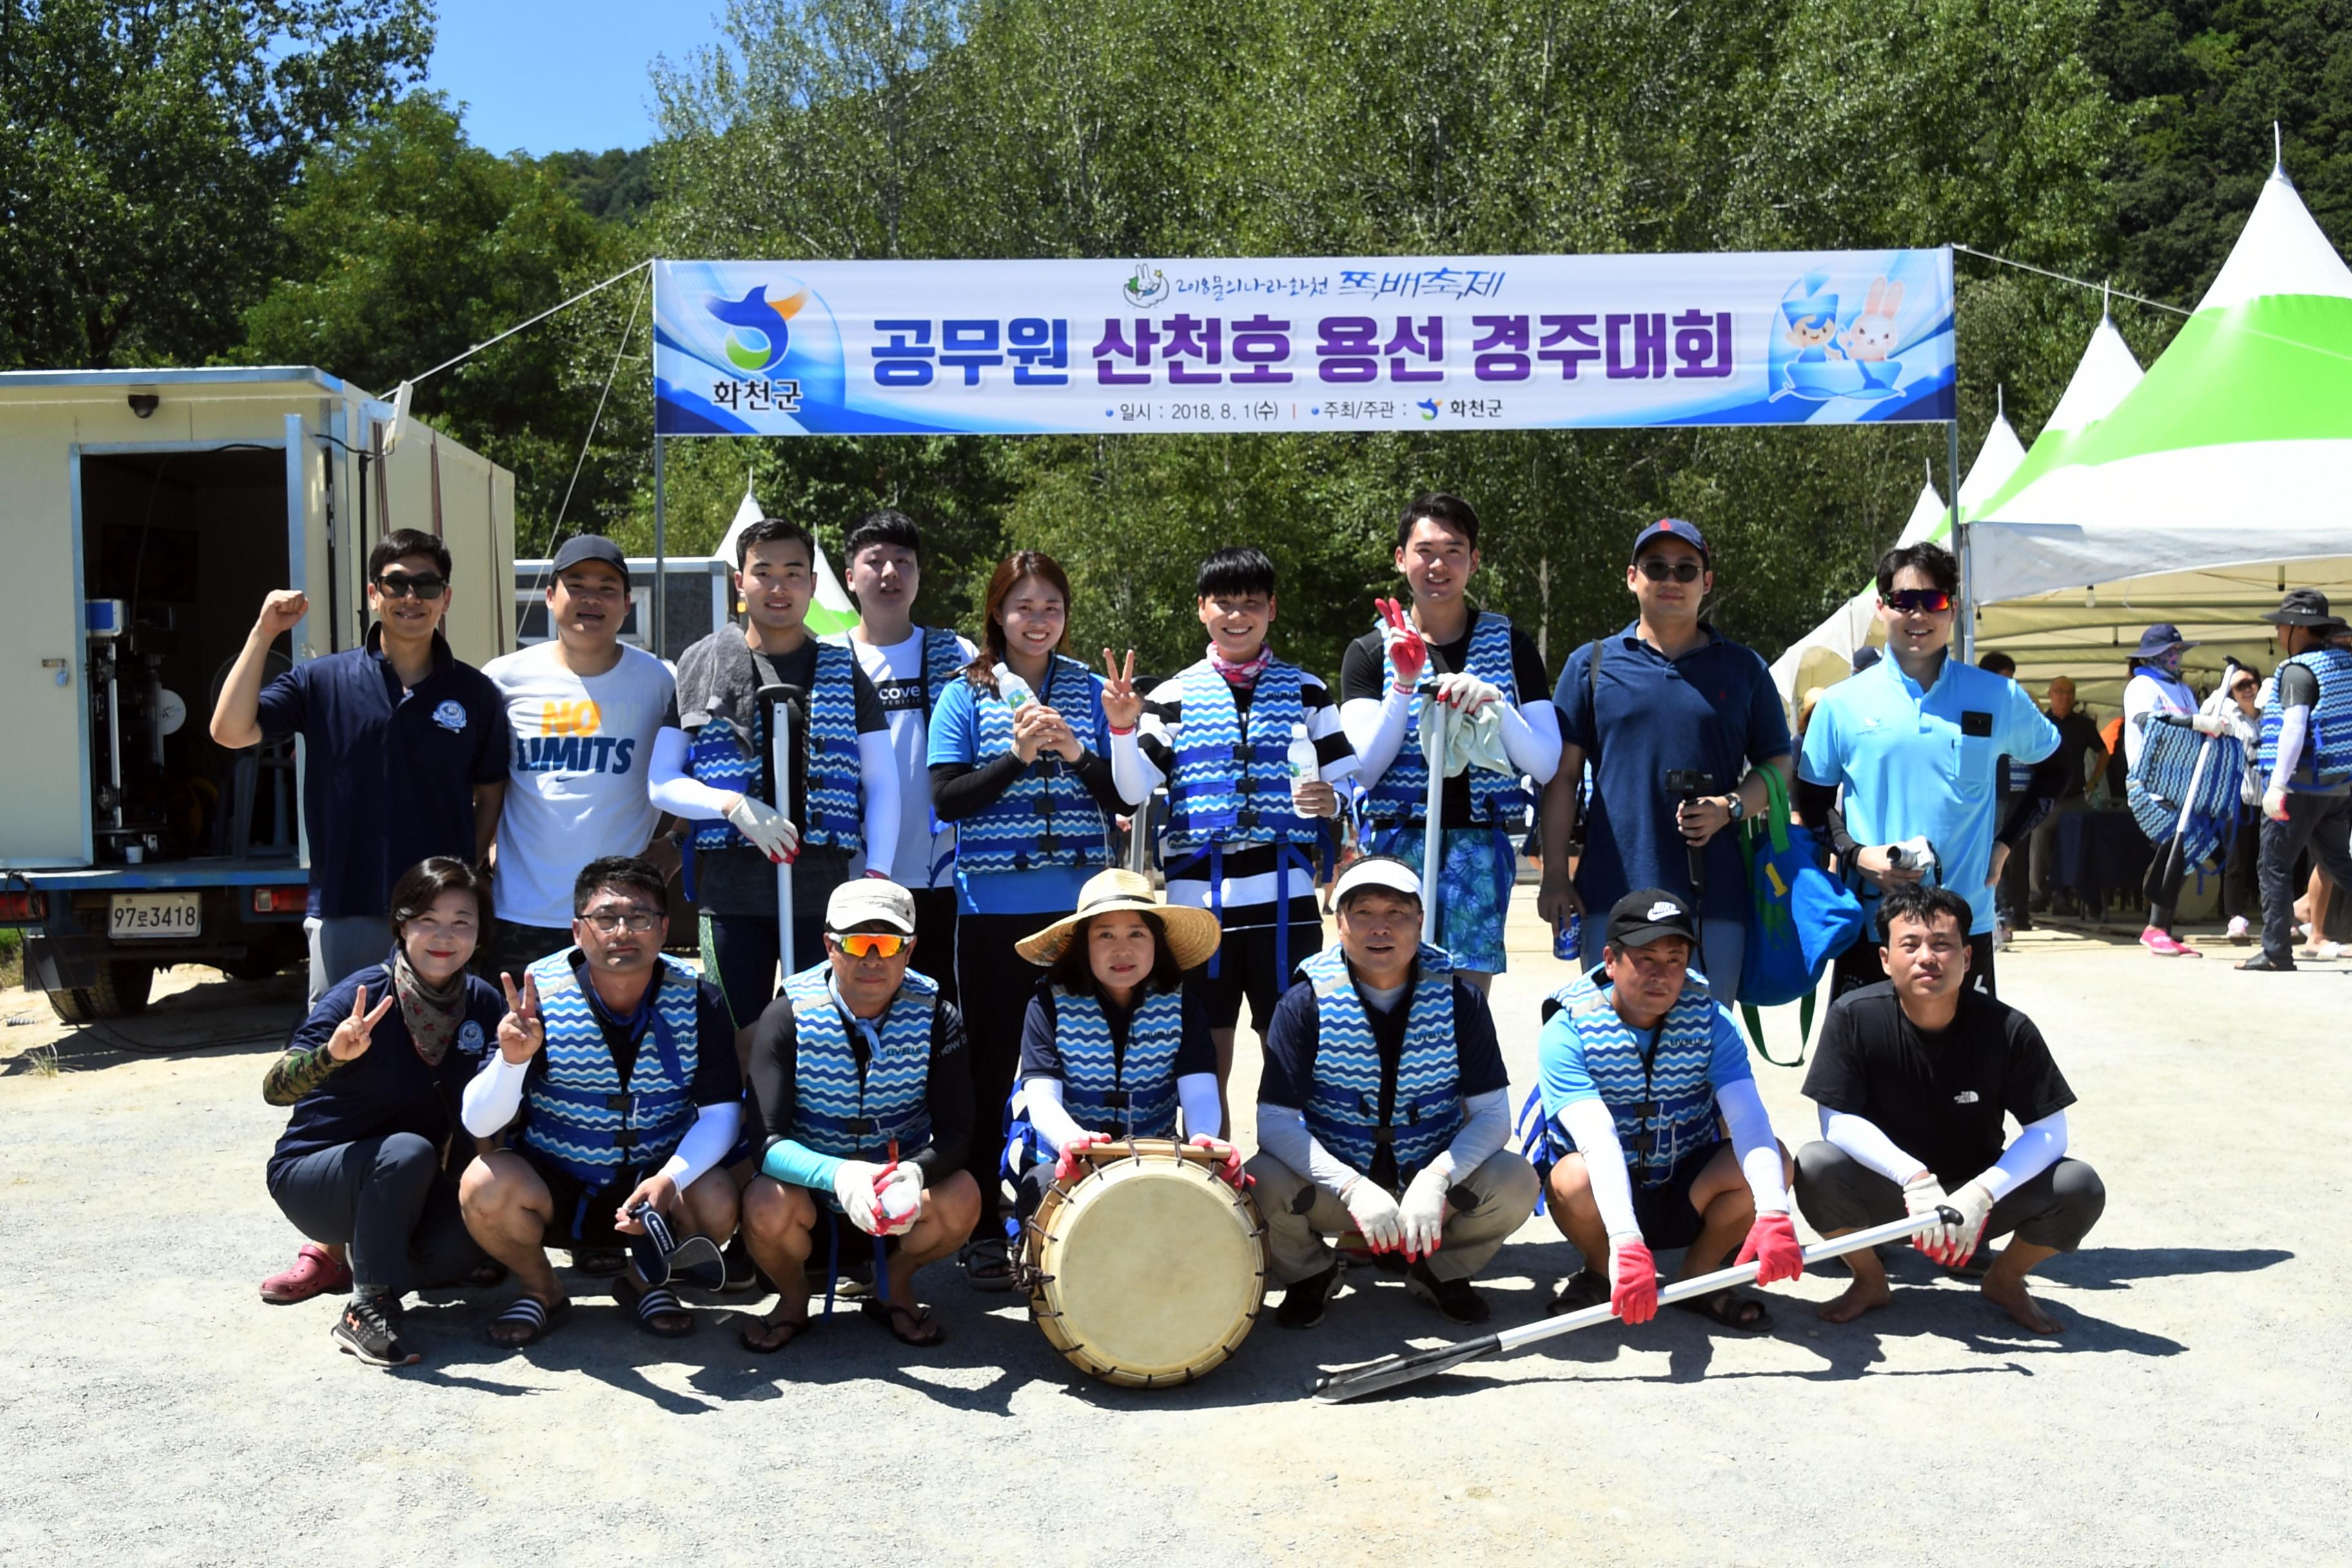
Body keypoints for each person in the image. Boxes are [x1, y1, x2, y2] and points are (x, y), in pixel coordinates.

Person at [926, 551, 1133, 1284]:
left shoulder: (1091, 690)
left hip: (1080, 913)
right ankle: (983, 1225)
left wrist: (1079, 750)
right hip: (993, 913)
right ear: (997, 614)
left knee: (1083, 1065)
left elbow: (1126, 796)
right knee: (987, 1068)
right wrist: (1016, 756)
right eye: (1022, 605)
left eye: (1051, 605)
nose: (1037, 618)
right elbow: (946, 799)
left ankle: (1084, 1212)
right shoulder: (964, 693)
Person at [1108, 547, 1355, 1122]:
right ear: (1201, 609)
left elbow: (1349, 790)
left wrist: (1333, 800)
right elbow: (1130, 789)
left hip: (1284, 904)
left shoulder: (1309, 691)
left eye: (1251, 603)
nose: (1237, 615)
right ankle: (1215, 1170)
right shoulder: (1169, 698)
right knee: (1204, 1049)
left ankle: (1291, 1170)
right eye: (1224, 602)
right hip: (1200, 908)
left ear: (1272, 610)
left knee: (1288, 1042)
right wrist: (1122, 728)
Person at [211, 527, 509, 1004]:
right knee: (344, 1053)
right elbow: (229, 730)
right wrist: (263, 632)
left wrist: (460, 872)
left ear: (445, 599)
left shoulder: (476, 693)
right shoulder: (321, 680)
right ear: (374, 595)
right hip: (345, 906)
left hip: (442, 914)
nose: (411, 597)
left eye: (427, 586)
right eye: (396, 584)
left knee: (439, 1053)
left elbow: (491, 792)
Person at [457, 857, 743, 1346]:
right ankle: (541, 1288)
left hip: (654, 1180)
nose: (622, 931)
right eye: (605, 918)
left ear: (665, 927)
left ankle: (645, 1283)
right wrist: (511, 1061)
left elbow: (722, 1113)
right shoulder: (536, 997)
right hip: (555, 1179)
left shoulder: (699, 999)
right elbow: (478, 1118)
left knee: (716, 1196)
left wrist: (670, 1179)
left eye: (640, 917)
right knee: (482, 1185)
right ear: (577, 930)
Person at [1244, 855, 1540, 1329]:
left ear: (1420, 921)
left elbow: (1492, 1116)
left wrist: (1437, 1177)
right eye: (1363, 913)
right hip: (1338, 1186)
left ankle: (1439, 1270)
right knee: (1261, 1179)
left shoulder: (1461, 999)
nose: (1379, 928)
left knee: (1516, 1180)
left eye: (1397, 913)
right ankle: (1311, 1273)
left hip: (1429, 1185)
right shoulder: (1304, 1002)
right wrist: (1352, 1187)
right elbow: (1274, 1123)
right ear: (1339, 922)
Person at [1794, 883, 2104, 1333]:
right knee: (1815, 1164)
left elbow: (2050, 1130)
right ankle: (1869, 1278)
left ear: (1967, 957)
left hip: (1976, 1196)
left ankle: (2005, 1278)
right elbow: (1836, 1121)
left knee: (2080, 1185)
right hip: (1892, 1195)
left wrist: (1984, 1193)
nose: (1927, 957)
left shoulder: (2008, 1029)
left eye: (1943, 944)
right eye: (1911, 944)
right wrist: (1914, 1179)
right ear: (1885, 959)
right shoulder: (1853, 1016)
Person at [649, 518, 900, 1034]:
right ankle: (743, 1118)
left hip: (825, 896)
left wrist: (877, 872)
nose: (779, 586)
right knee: (737, 1036)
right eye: (763, 572)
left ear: (812, 582)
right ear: (740, 582)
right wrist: (733, 807)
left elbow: (882, 783)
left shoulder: (845, 672)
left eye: (794, 572)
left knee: (818, 1036)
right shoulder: (702, 666)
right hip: (731, 897)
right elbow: (662, 780)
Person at [260, 858, 502, 1366]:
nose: (445, 936)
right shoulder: (361, 994)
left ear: (480, 932)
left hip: (404, 1185)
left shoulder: (482, 1002)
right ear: (401, 924)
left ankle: (375, 1259)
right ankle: (367, 1305)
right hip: (318, 1177)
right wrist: (331, 1055)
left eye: (462, 921)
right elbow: (274, 1089)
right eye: (428, 920)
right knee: (407, 1150)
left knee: (469, 1244)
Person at [1527, 889, 1801, 1332]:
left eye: (1675, 959)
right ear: (1611, 960)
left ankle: (1701, 1275)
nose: (1662, 974)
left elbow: (1748, 1118)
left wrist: (1773, 1211)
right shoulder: (1567, 1029)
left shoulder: (1712, 1021)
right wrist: (1626, 1239)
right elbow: (1596, 1137)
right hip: (1601, 1190)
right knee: (1571, 1176)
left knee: (1777, 1161)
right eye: (1645, 958)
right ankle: (1601, 1270)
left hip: (1683, 1180)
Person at [1795, 540, 2059, 999]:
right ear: (1881, 608)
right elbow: (1812, 800)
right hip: (1874, 929)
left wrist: (2005, 843)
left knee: (1967, 1070)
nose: (1918, 616)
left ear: (1953, 609)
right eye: (1903, 601)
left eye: (1933, 601)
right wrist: (1858, 855)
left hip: (1963, 928)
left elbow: (2057, 768)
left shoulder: (1998, 696)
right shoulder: (1840, 704)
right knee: (1867, 1067)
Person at [1541, 518, 1793, 994]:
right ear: (1633, 577)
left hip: (1715, 900)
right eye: (1657, 568)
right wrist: (1555, 875)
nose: (1671, 580)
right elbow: (1561, 777)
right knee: (1611, 1050)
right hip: (1611, 896)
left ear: (1707, 582)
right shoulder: (1589, 665)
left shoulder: (1745, 668)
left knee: (1705, 1050)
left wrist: (1729, 808)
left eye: (1686, 569)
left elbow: (1778, 765)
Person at [736, 879, 981, 1351]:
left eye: (887, 943)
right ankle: (793, 1299)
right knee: (764, 1202)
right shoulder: (786, 1015)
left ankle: (895, 1287)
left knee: (963, 1196)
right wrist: (841, 1175)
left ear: (909, 951)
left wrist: (914, 1173)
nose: (872, 959)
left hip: (900, 1204)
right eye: (855, 942)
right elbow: (764, 1142)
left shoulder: (937, 1016)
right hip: (808, 1201)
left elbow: (957, 1132)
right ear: (829, 945)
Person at [1340, 493, 1558, 988]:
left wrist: (1497, 708)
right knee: (1385, 993)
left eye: (1454, 551)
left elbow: (1545, 764)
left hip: (1478, 847)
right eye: (1424, 551)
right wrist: (1402, 684)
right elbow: (1366, 769)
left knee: (1465, 1003)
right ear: (1401, 559)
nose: (1438, 565)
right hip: (1396, 844)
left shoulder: (1514, 647)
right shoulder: (1368, 652)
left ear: (1474, 561)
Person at [481, 536, 680, 980]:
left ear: (627, 603)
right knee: (519, 1044)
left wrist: (678, 843)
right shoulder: (503, 678)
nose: (592, 598)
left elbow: (706, 768)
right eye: (577, 585)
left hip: (620, 920)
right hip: (521, 913)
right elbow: (479, 780)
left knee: (616, 1046)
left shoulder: (661, 680)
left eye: (607, 588)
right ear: (550, 597)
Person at [1003, 869, 1231, 1220]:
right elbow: (1042, 1099)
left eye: (1137, 934)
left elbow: (1200, 1092)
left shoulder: (1184, 1005)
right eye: (1104, 935)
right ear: (1083, 945)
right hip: (1069, 1157)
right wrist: (1074, 1142)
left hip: (1157, 1156)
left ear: (1157, 942)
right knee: (1042, 1184)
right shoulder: (1046, 1005)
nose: (1122, 949)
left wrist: (1201, 1140)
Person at [832, 509, 977, 1003]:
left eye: (903, 561)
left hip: (940, 873)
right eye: (875, 561)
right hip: (851, 872)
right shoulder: (828, 657)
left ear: (919, 574)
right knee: (859, 1004)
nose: (890, 573)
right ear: (850, 576)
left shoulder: (956, 652)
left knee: (941, 1008)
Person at [2240, 591, 2352, 972]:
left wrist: (2277, 786)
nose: (2276, 630)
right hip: (2338, 785)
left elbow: (2294, 726)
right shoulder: (2344, 664)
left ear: (2301, 629)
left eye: (2282, 624)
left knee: (2273, 865)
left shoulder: (2298, 671)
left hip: (2301, 785)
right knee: (2340, 864)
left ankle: (2275, 952)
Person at [2121, 623, 2236, 957]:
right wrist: (2197, 723)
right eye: (2171, 652)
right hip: (2151, 784)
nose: (2177, 657)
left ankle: (2160, 924)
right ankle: (2157, 925)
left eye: (2179, 651)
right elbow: (2149, 722)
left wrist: (2213, 727)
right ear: (2154, 655)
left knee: (2186, 849)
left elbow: (2197, 730)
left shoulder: (2183, 690)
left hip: (2185, 784)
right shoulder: (2142, 685)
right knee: (2177, 845)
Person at [2027, 676, 2109, 916]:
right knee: (2039, 848)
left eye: (2069, 692)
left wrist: (2093, 781)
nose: (2064, 696)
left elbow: (2103, 753)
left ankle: (2066, 897)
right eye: (2059, 691)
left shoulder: (2083, 724)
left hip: (2075, 797)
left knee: (2075, 849)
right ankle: (2037, 896)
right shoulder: (2040, 722)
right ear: (2050, 695)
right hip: (2044, 798)